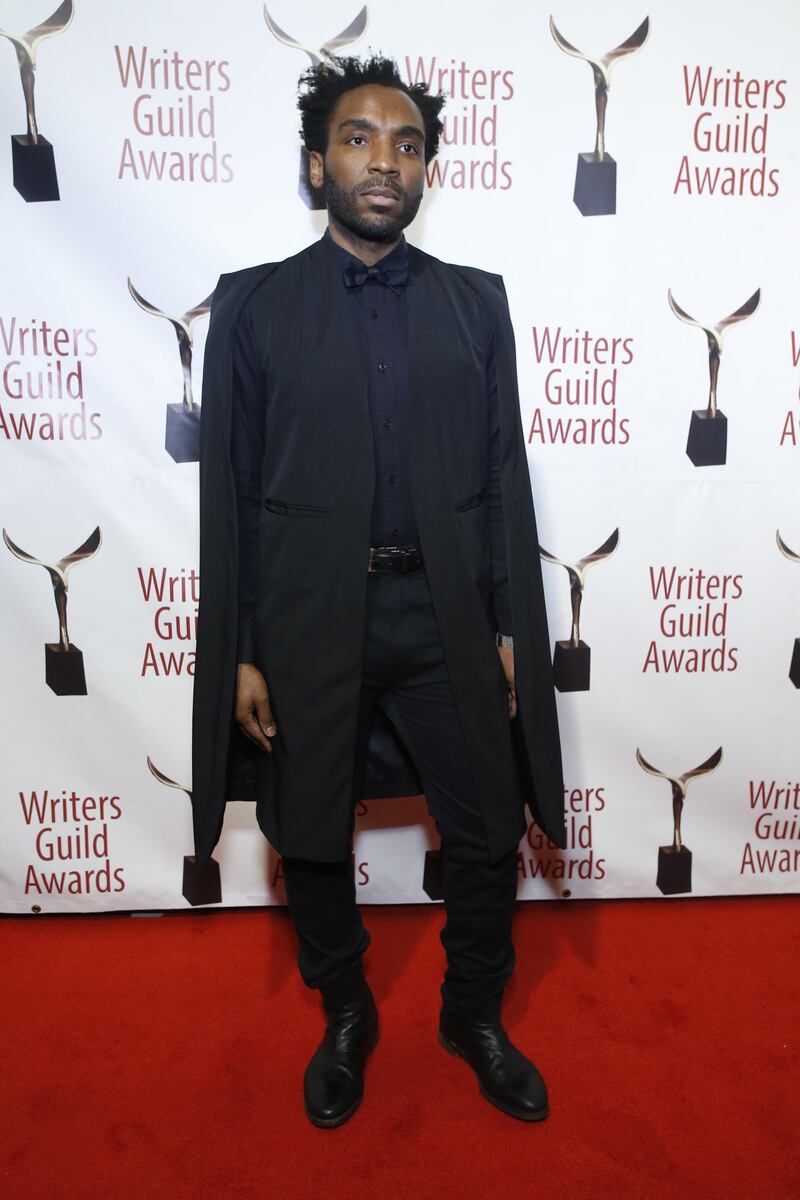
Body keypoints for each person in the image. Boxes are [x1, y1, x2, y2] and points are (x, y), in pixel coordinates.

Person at [191, 53, 565, 1128]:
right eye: (357, 138)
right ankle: (346, 1012)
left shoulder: (472, 304)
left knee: (488, 830)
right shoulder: (254, 309)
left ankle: (470, 1014)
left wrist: (501, 620)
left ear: (426, 171)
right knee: (306, 830)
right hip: (309, 618)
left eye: (404, 143)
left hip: (444, 613)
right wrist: (248, 644)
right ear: (317, 166)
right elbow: (234, 492)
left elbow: (500, 480)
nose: (382, 159)